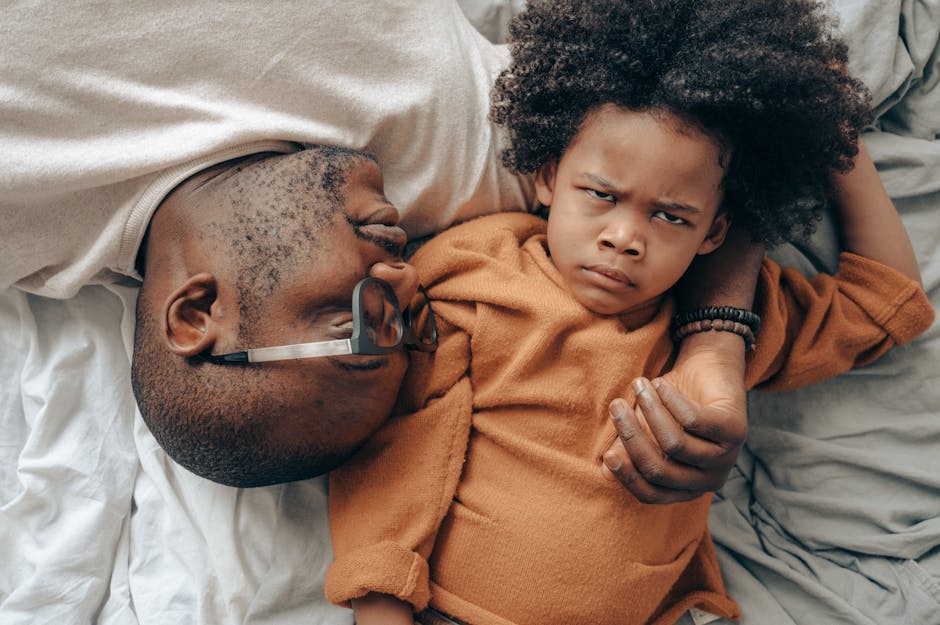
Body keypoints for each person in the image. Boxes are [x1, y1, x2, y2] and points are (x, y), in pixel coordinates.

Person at [322, 1, 935, 625]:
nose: (624, 237)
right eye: (601, 195)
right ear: (547, 176)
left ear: (715, 233)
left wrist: (836, 136)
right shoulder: (478, 270)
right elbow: (404, 439)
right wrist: (380, 605)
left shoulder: (729, 325)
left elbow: (885, 299)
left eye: (670, 216)